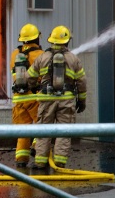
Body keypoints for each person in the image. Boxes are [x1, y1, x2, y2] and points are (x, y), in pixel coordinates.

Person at [26, 25, 87, 171]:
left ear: (52, 40)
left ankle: (40, 163)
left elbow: (30, 77)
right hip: (66, 100)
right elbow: (82, 82)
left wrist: (33, 87)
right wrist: (82, 100)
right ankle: (59, 164)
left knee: (43, 130)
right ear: (67, 41)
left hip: (46, 99)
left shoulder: (43, 57)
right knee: (64, 131)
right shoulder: (74, 59)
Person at [9, 23, 43, 169]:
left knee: (23, 131)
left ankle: (21, 160)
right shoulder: (41, 55)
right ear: (37, 38)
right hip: (35, 97)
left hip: (19, 98)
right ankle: (36, 148)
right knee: (42, 125)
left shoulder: (15, 54)